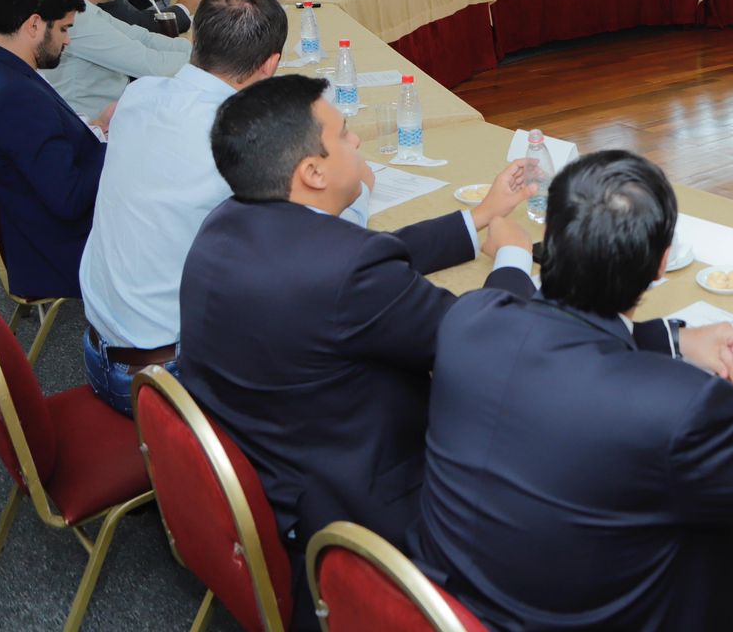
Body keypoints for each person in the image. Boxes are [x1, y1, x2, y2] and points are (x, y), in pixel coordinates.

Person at [410, 150, 733, 632]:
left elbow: (556, 338)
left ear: (549, 240)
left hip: (451, 606)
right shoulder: (679, 406)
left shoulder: (467, 322)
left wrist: (675, 340)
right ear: (661, 266)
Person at [179, 75, 537, 628]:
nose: (358, 144)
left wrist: (479, 218)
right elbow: (483, 347)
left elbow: (364, 258)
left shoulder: (225, 223)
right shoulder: (345, 272)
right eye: (345, 135)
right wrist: (512, 259)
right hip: (358, 503)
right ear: (312, 171)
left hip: (269, 466)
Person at [77, 0, 359, 415]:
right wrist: (359, 178)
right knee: (339, 341)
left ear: (194, 42)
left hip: (99, 352)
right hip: (166, 385)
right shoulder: (242, 142)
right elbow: (334, 230)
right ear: (270, 65)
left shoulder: (139, 96)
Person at [0, 0, 103, 301]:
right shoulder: (14, 97)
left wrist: (96, 129)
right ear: (34, 24)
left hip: (32, 227)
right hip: (65, 247)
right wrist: (120, 141)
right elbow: (70, 200)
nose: (67, 39)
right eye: (63, 28)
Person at [38, 0, 189, 121]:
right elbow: (151, 64)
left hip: (119, 117)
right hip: (95, 134)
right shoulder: (74, 20)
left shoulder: (84, 9)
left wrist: (201, 50)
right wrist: (214, 59)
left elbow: (142, 38)